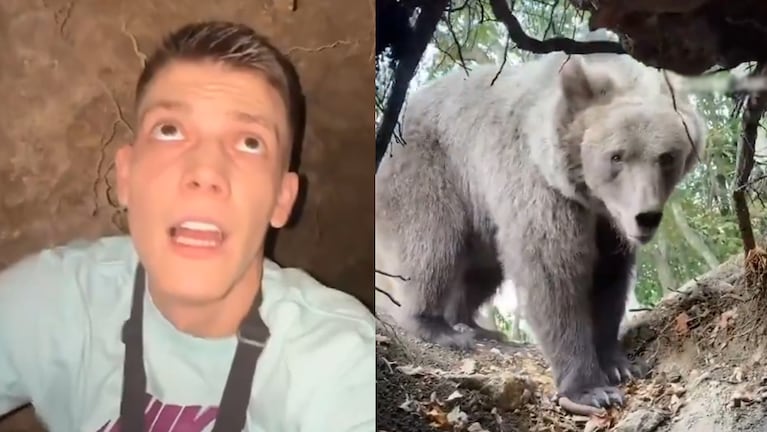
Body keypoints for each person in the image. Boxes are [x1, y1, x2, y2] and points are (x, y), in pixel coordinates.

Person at [0, 20, 375, 432]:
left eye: (250, 141)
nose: (206, 171)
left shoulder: (341, 361)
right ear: (125, 176)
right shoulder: (56, 303)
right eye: (170, 130)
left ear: (282, 200)